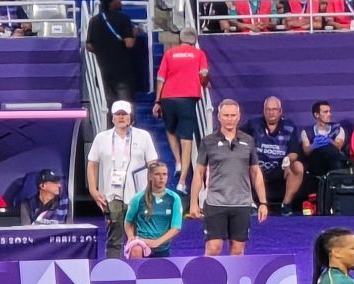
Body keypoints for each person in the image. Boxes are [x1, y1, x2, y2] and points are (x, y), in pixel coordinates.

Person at [192, 100, 269, 256]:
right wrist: (194, 203)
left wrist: (263, 202)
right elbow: (199, 173)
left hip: (241, 204)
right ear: (219, 117)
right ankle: (209, 280)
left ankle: (234, 281)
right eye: (226, 115)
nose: (229, 119)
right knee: (213, 247)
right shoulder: (208, 141)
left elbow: (255, 172)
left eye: (233, 115)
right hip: (215, 203)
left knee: (238, 249)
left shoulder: (248, 141)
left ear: (239, 117)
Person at [88, 99, 164, 259]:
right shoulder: (102, 138)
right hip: (111, 195)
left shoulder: (143, 136)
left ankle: (139, 271)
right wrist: (93, 190)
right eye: (118, 114)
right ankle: (114, 272)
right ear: (112, 118)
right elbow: (92, 164)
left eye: (125, 114)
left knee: (138, 238)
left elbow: (153, 163)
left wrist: (154, 189)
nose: (122, 117)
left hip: (138, 195)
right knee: (113, 237)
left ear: (130, 116)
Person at [154, 29, 210, 188]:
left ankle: (177, 162)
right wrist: (205, 84)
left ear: (181, 39)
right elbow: (203, 75)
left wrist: (157, 101)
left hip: (167, 97)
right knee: (186, 139)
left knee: (170, 130)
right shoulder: (199, 54)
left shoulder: (170, 53)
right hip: (188, 98)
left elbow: (160, 78)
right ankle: (182, 181)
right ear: (194, 40)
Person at [244, 96, 305, 215]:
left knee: (298, 167)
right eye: (268, 109)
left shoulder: (289, 126)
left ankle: (286, 205)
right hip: (257, 167)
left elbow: (294, 152)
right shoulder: (253, 124)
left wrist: (288, 159)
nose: (271, 113)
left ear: (280, 111)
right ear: (264, 111)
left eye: (274, 109)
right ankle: (251, 204)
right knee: (242, 164)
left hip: (280, 168)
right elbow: (239, 139)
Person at [87, 0, 144, 110]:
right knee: (125, 107)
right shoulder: (124, 19)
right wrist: (135, 33)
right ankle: (126, 126)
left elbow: (89, 45)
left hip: (104, 70)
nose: (121, 2)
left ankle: (110, 126)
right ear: (111, 2)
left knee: (110, 106)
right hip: (122, 72)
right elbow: (129, 43)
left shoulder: (94, 20)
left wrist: (103, 50)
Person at [125, 161, 185, 257]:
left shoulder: (174, 198)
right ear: (150, 176)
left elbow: (176, 227)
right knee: (136, 249)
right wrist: (131, 237)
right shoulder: (138, 198)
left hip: (162, 246)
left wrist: (157, 242)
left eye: (164, 174)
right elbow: (128, 221)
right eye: (157, 174)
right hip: (142, 243)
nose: (161, 178)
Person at [302, 100, 350, 182]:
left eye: (329, 111)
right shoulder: (307, 132)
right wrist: (314, 145)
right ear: (316, 115)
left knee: (335, 160)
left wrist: (329, 140)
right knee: (320, 152)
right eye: (325, 112)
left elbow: (338, 146)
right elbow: (306, 151)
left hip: (334, 161)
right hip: (317, 163)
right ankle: (346, 160)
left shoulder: (338, 128)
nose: (329, 114)